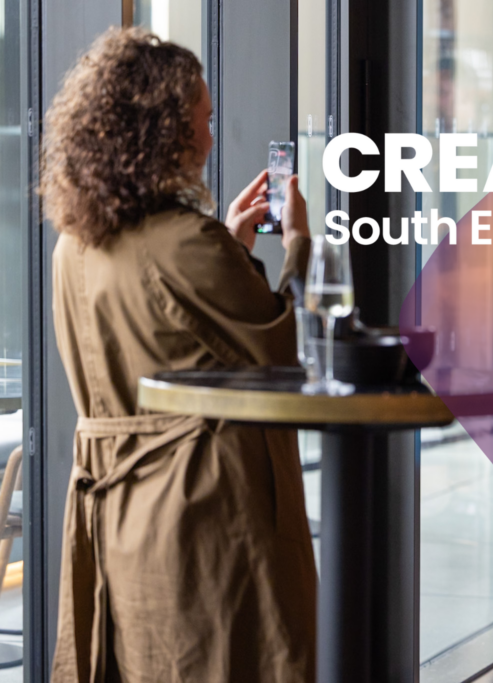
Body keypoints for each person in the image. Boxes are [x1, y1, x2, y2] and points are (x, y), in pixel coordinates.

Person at [40, 28, 316, 682]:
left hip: (116, 517)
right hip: (202, 519)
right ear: (165, 128)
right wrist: (298, 244)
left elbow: (182, 337)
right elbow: (281, 350)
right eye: (204, 120)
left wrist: (230, 246)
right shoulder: (186, 242)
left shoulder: (72, 246)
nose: (211, 139)